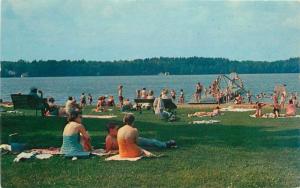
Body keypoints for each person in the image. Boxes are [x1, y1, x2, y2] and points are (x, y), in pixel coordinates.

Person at [105, 122, 176, 153]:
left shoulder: (118, 134)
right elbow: (108, 151)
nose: (118, 130)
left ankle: (166, 144)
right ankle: (166, 146)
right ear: (111, 130)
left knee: (151, 142)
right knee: (149, 148)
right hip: (131, 147)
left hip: (133, 141)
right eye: (116, 129)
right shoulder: (109, 139)